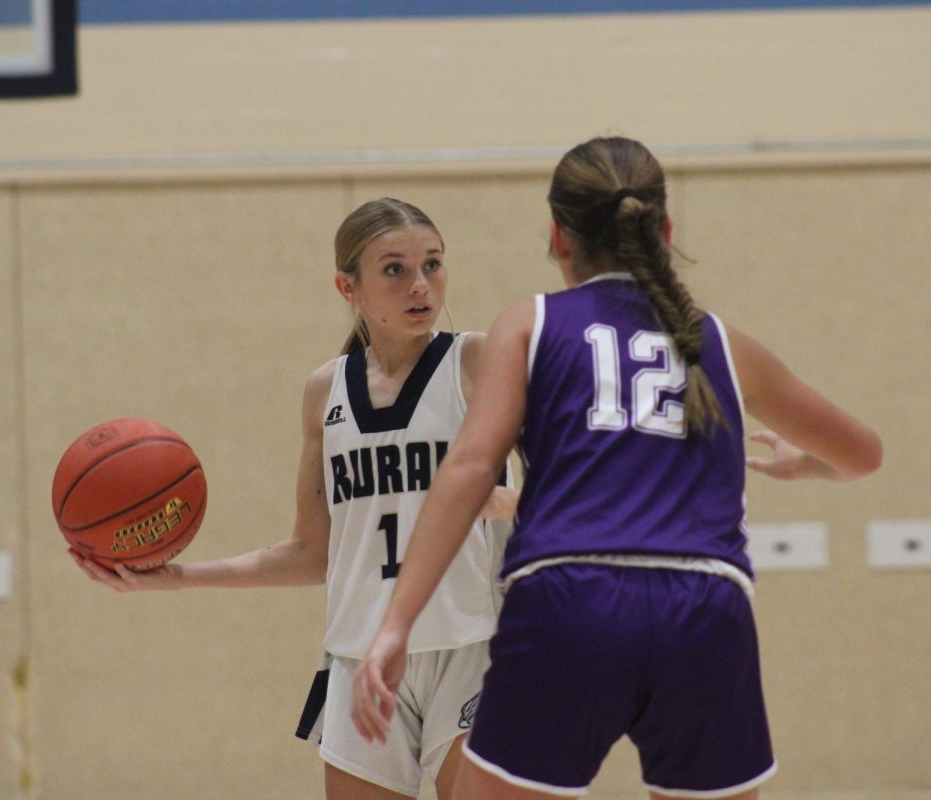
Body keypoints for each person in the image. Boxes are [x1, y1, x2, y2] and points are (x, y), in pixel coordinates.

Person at [351, 137, 884, 800]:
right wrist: (806, 467)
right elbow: (863, 454)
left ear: (558, 236)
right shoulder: (719, 340)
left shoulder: (531, 325)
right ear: (662, 230)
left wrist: (396, 623)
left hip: (571, 600)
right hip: (706, 609)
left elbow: (470, 468)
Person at [71, 197, 516, 800]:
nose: (421, 284)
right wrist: (175, 576)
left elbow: (573, 485)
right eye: (394, 269)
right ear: (346, 285)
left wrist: (511, 503)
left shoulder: (477, 361)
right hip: (360, 656)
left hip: (470, 644)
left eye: (433, 265)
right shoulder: (324, 392)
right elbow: (312, 553)